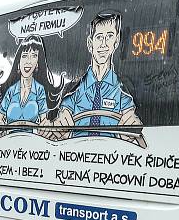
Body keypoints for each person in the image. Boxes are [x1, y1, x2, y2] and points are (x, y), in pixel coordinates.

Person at [52, 11, 144, 145]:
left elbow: (130, 116)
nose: (104, 44)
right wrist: (60, 122)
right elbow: (63, 113)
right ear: (90, 43)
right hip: (76, 157)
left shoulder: (123, 91)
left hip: (110, 157)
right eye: (99, 37)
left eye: (109, 37)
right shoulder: (74, 89)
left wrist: (133, 124)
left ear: (116, 41)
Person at [0, 35, 62, 132]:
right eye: (24, 56)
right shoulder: (11, 91)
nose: (28, 61)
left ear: (37, 63)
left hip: (32, 141)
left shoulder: (40, 90)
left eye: (33, 56)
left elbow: (44, 120)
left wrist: (45, 125)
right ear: (18, 61)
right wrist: (0, 124)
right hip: (8, 142)